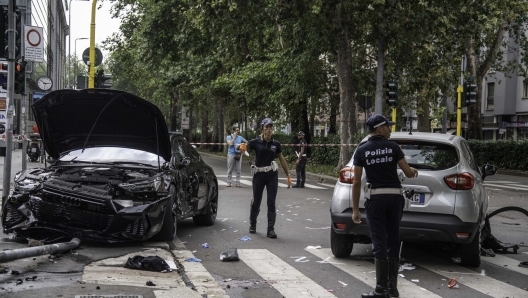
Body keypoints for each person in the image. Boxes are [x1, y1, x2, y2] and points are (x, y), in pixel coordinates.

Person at [351, 114, 418, 298]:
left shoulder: (362, 150)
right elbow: (407, 172)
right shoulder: (393, 147)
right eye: (388, 126)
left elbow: (357, 182)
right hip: (394, 199)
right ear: (380, 129)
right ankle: (392, 288)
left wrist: (356, 209)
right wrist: (413, 171)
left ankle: (380, 290)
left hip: (376, 200)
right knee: (393, 239)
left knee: (379, 242)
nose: (390, 129)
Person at [241, 118, 292, 238]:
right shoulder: (256, 141)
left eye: (270, 127)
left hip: (271, 175)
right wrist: (241, 147)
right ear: (262, 128)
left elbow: (281, 159)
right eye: (266, 127)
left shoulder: (276, 144)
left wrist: (288, 175)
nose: (269, 129)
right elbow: (244, 147)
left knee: (271, 202)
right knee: (256, 201)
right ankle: (252, 224)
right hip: (259, 174)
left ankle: (271, 229)